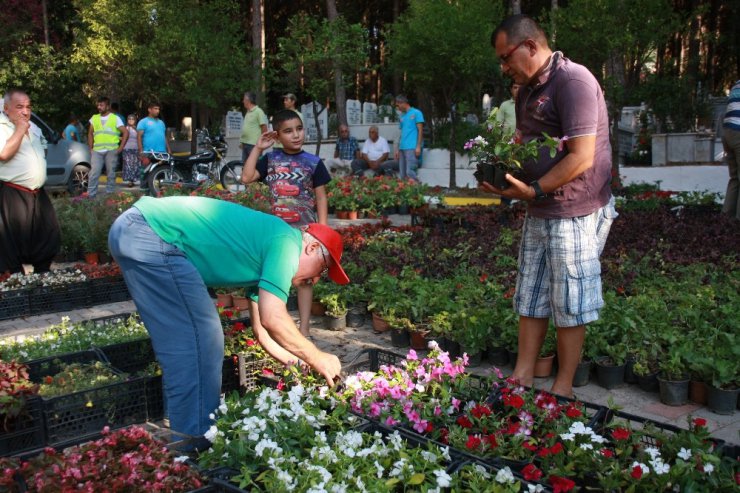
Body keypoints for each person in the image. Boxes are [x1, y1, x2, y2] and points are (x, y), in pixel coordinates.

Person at [108, 195, 347, 442]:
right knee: (204, 337)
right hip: (151, 234)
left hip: (133, 230)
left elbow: (262, 330)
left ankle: (183, 427)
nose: (316, 280)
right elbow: (273, 317)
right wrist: (318, 357)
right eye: (323, 269)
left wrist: (298, 362)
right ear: (312, 247)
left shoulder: (271, 252)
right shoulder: (288, 243)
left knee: (182, 341)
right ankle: (195, 441)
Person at [484, 15, 617, 399]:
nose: (504, 66)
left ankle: (563, 385)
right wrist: (501, 174)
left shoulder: (573, 81)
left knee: (570, 299)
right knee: (532, 292)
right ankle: (523, 374)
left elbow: (581, 158)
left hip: (573, 209)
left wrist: (534, 189)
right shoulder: (526, 89)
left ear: (530, 46)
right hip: (540, 207)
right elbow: (527, 141)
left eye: (506, 57)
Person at [241, 109, 332, 339]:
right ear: (277, 136)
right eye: (288, 131)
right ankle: (279, 327)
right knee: (276, 277)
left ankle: (304, 329)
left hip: (306, 232)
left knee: (304, 281)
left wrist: (321, 232)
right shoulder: (270, 160)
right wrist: (259, 148)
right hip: (278, 233)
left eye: (299, 129)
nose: (295, 135)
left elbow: (321, 197)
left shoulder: (314, 163)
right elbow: (246, 177)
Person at [0, 89, 61, 274]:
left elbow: (43, 149)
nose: (25, 112)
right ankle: (15, 284)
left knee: (48, 236)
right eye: (19, 107)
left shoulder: (33, 127)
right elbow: (3, 154)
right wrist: (19, 130)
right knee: (11, 245)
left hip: (37, 193)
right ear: (6, 108)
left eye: (28, 107)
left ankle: (42, 278)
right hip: (12, 192)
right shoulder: (2, 126)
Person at [87, 96, 127, 198]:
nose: (99, 107)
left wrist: (120, 148)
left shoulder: (115, 118)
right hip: (97, 150)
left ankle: (110, 195)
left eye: (101, 105)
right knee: (94, 173)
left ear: (108, 106)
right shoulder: (94, 118)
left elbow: (125, 132)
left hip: (111, 150)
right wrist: (90, 148)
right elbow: (90, 133)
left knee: (111, 174)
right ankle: (91, 196)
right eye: (98, 105)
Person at [721, 79, 740, 220]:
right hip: (738, 132)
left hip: (727, 133)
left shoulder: (737, 84)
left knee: (735, 178)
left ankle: (727, 218)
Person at [394, 95, 424, 180]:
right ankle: (406, 192)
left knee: (410, 172)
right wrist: (397, 149)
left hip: (412, 147)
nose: (397, 108)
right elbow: (401, 133)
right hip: (402, 148)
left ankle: (417, 190)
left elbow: (420, 130)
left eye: (398, 105)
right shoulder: (402, 116)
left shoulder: (416, 112)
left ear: (403, 103)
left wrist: (418, 146)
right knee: (402, 174)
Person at [239, 91, 268, 163]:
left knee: (255, 165)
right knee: (244, 166)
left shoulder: (258, 111)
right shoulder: (248, 112)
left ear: (248, 100)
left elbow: (264, 127)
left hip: (254, 145)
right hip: (245, 144)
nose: (243, 102)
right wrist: (242, 142)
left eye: (244, 100)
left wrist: (262, 143)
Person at [122, 114, 140, 187]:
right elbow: (122, 138)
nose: (131, 120)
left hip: (136, 149)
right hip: (127, 148)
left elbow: (140, 138)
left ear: (135, 120)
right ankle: (130, 180)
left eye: (132, 119)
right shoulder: (125, 128)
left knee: (135, 165)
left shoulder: (138, 129)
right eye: (129, 119)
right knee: (128, 164)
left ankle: (134, 179)